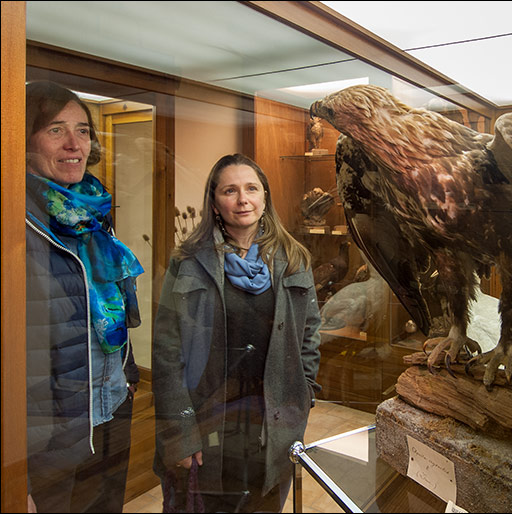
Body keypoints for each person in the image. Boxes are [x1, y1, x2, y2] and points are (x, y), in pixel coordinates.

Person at [152, 153, 322, 513]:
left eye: (251, 189)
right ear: (214, 202)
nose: (243, 199)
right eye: (230, 190)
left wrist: (303, 392)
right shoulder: (188, 262)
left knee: (263, 503)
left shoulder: (294, 259)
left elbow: (309, 333)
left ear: (265, 198)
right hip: (208, 418)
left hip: (271, 421)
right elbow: (167, 352)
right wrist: (180, 433)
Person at [25, 80, 144, 512]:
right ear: (25, 139)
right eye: (56, 129)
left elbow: (107, 307)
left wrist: (128, 375)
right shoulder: (15, 223)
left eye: (82, 130)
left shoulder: (91, 214)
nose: (74, 143)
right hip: (49, 437)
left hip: (110, 409)